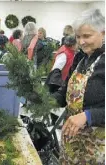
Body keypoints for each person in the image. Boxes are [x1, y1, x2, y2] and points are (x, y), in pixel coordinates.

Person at [52, 8, 105, 164]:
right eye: (78, 36)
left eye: (87, 36)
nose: (81, 42)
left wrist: (88, 116)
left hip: (97, 142)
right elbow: (66, 91)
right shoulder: (80, 57)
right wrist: (45, 99)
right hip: (71, 137)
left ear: (103, 32)